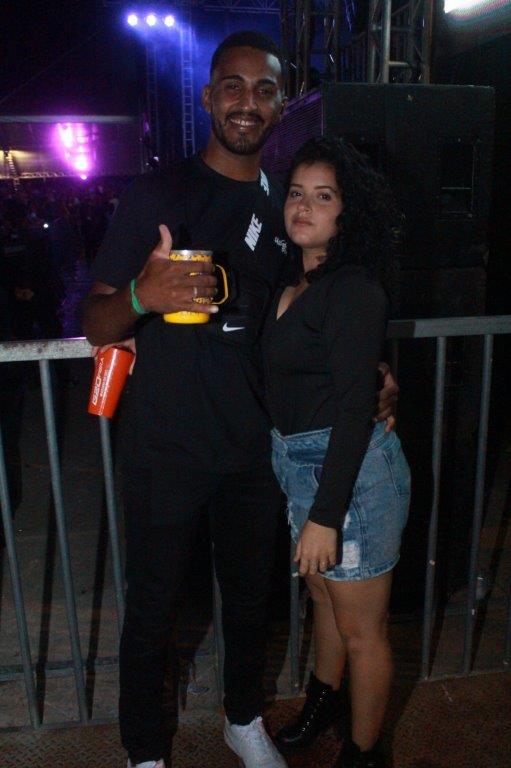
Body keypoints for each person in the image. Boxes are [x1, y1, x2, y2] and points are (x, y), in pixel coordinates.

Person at [81, 32, 397, 768]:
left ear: (281, 105)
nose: (247, 102)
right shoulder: (156, 194)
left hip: (256, 446)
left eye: (264, 90)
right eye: (232, 86)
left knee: (251, 598)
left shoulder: (283, 205)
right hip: (164, 446)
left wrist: (373, 373)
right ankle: (145, 750)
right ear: (208, 97)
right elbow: (95, 320)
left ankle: (243, 719)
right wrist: (142, 295)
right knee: (153, 607)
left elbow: (323, 308)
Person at [263, 136, 411, 768]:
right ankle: (324, 705)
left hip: (349, 477)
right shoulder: (294, 278)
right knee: (323, 598)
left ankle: (364, 753)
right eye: (297, 193)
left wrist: (325, 515)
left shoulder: (352, 287)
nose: (304, 206)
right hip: (301, 466)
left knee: (362, 629)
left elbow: (354, 409)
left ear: (348, 212)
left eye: (323, 197)